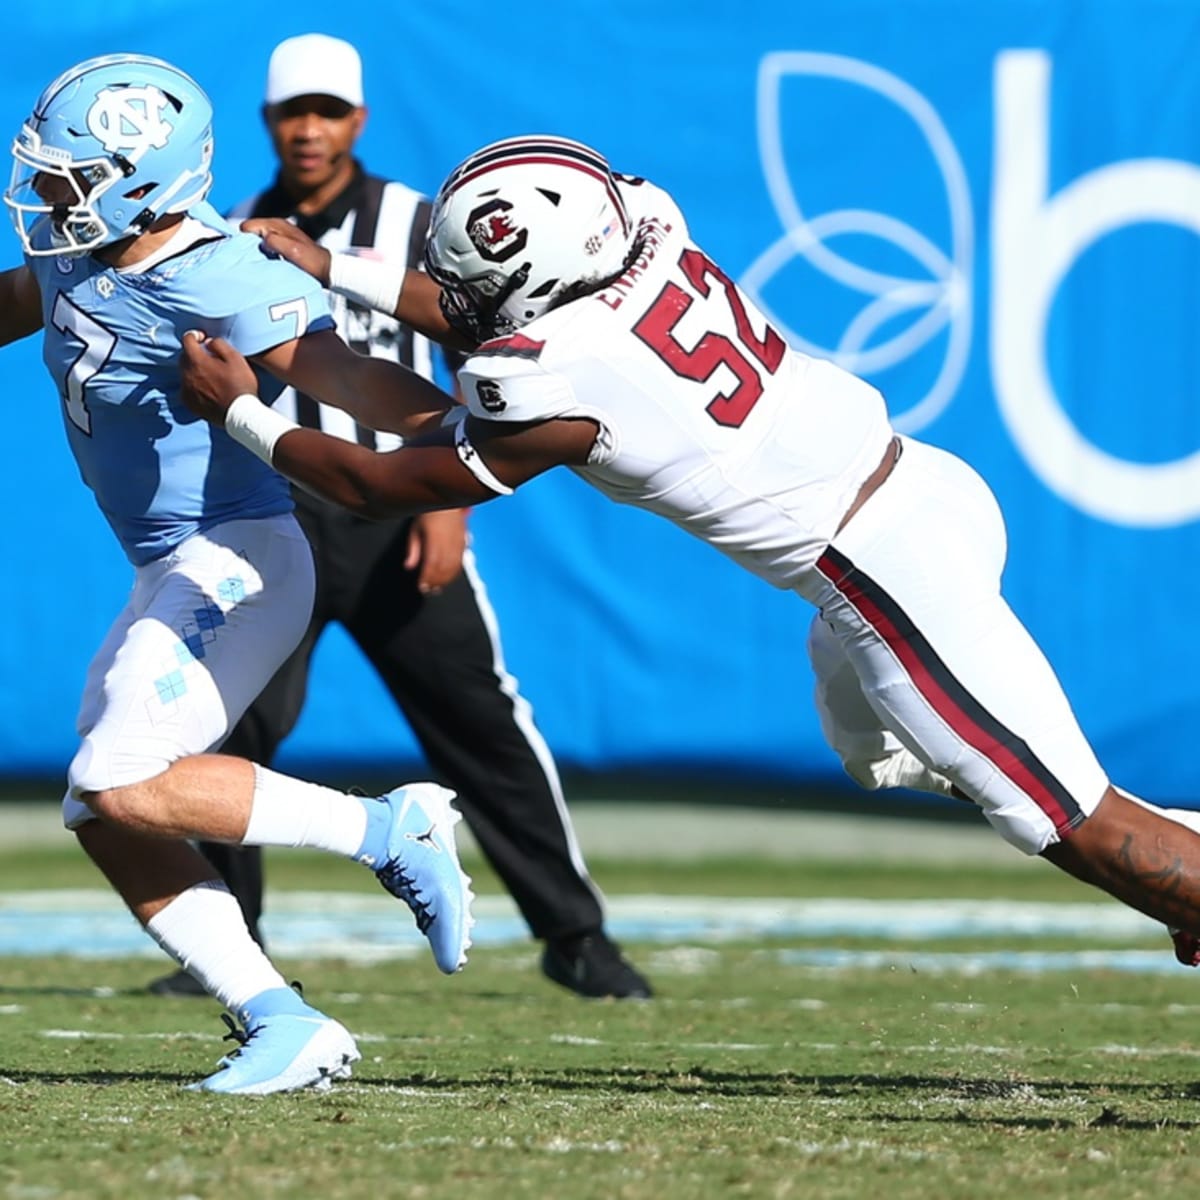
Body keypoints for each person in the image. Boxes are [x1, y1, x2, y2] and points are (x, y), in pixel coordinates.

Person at [182, 132, 1200, 958]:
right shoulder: (651, 225)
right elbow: (478, 304)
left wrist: (246, 414)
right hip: (927, 484)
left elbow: (381, 478)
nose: (468, 313)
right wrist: (330, 266)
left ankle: (1162, 861)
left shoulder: (552, 375)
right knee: (876, 748)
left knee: (1068, 822)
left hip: (879, 574)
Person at [0, 53, 477, 1095]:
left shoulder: (217, 270)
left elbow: (342, 374)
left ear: (139, 182)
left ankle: (389, 828)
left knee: (117, 779)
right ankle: (281, 1016)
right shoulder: (81, 246)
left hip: (241, 558)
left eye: (66, 178)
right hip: (169, 565)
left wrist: (457, 422)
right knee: (104, 812)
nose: (42, 196)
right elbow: (9, 302)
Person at [147, 34, 650, 1003]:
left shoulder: (427, 221)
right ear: (268, 123)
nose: (308, 130)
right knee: (225, 723)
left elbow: (496, 345)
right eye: (293, 113)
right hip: (277, 508)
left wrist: (453, 502)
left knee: (480, 724)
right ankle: (227, 941)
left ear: (358, 120)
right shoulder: (235, 228)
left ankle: (576, 936)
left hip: (401, 507)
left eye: (327, 111)